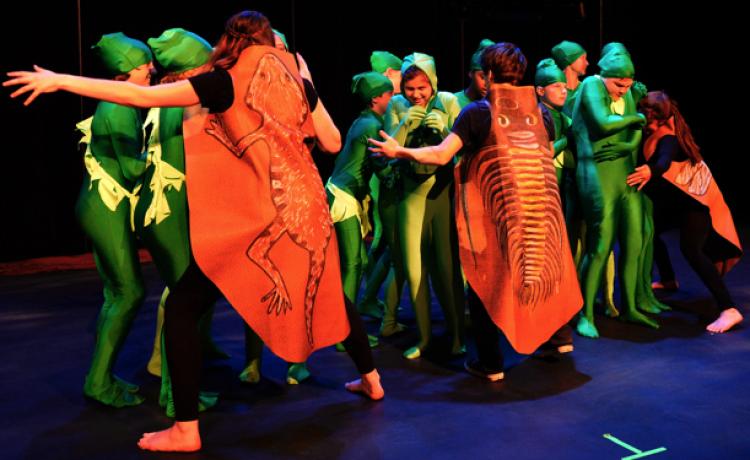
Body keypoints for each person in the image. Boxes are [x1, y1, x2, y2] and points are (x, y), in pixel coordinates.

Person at [6, 10, 384, 452]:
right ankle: (372, 380)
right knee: (328, 296)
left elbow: (139, 98)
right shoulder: (296, 84)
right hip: (305, 214)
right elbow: (332, 143)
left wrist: (61, 80)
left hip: (261, 218)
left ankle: (185, 430)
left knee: (183, 309)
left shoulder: (224, 81)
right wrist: (309, 83)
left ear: (231, 44)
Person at [370, 42, 581, 380]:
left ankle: (491, 362)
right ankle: (559, 338)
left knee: (486, 279)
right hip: (541, 206)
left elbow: (441, 155)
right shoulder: (541, 112)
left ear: (489, 75)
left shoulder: (478, 113)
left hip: (501, 213)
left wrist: (399, 152)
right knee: (545, 267)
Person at [73, 32, 153, 408]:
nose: (151, 68)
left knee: (115, 294)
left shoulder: (114, 102)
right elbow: (131, 168)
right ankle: (99, 382)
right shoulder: (120, 107)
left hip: (98, 206)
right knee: (130, 292)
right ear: (127, 69)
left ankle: (100, 377)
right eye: (144, 64)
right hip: (105, 207)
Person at [627, 91, 743, 333]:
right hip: (680, 204)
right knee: (652, 230)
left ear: (651, 116)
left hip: (697, 205)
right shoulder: (657, 131)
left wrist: (650, 170)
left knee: (691, 250)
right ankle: (669, 279)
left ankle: (729, 309)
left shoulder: (667, 137)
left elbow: (663, 162)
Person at [569, 47, 660, 338]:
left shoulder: (629, 92)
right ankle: (586, 314)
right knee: (600, 245)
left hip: (626, 175)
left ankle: (631, 306)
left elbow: (637, 128)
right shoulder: (591, 85)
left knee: (635, 241)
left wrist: (629, 145)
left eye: (628, 84)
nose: (623, 89)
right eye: (618, 84)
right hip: (597, 175)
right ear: (605, 75)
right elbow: (602, 122)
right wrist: (635, 122)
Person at [383, 52, 465, 359]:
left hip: (442, 193)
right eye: (410, 88)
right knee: (415, 272)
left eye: (422, 87)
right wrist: (405, 125)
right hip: (411, 194)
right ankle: (425, 338)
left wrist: (442, 131)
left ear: (432, 83)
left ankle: (458, 335)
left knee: (447, 270)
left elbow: (461, 153)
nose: (416, 94)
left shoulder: (447, 102)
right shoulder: (396, 105)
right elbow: (385, 150)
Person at [551, 40, 588, 117]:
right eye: (582, 58)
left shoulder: (585, 88)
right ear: (569, 59)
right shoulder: (554, 91)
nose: (587, 63)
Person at [454, 39, 494, 109]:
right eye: (482, 77)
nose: (487, 83)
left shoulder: (496, 105)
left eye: (492, 78)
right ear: (471, 73)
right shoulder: (453, 101)